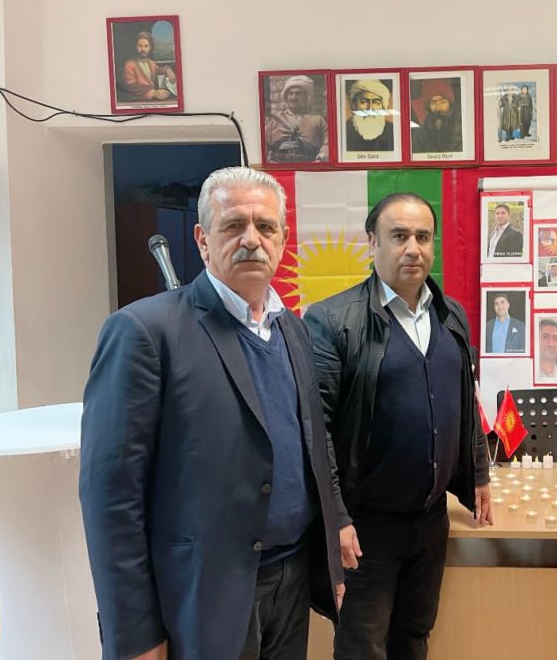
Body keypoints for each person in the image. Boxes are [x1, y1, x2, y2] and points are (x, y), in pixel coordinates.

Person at [79, 167, 345, 660]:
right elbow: (111, 499)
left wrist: (335, 531)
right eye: (233, 225)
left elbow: (312, 439)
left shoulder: (293, 330)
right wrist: (134, 634)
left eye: (265, 227)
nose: (251, 240)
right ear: (203, 240)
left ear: (283, 239)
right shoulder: (144, 332)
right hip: (205, 592)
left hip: (291, 580)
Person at [303, 193, 493, 660]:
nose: (413, 248)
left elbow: (465, 404)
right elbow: (315, 429)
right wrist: (336, 518)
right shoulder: (332, 321)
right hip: (365, 528)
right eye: (399, 236)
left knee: (414, 637)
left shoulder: (451, 316)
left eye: (423, 237)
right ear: (372, 243)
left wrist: (478, 472)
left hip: (430, 522)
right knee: (362, 648)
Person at [265, 75, 328, 163]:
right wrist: (271, 163)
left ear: (306, 97)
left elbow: (328, 145)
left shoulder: (318, 120)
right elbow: (263, 147)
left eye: (298, 94)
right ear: (286, 96)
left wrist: (319, 161)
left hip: (310, 167)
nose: (293, 97)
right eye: (290, 93)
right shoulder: (273, 121)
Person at [120, 30, 176, 102]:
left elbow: (159, 72)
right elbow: (131, 87)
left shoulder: (152, 63)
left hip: (154, 97)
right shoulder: (129, 64)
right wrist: (152, 93)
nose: (143, 49)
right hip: (137, 100)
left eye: (146, 46)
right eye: (140, 46)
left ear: (150, 48)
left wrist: (167, 69)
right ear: (135, 47)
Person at [411, 79, 463, 153]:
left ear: (450, 103)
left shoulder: (461, 124)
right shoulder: (424, 127)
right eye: (433, 103)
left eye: (443, 102)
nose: (438, 108)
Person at [346, 78, 395, 151]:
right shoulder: (345, 131)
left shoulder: (392, 130)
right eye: (364, 102)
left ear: (383, 107)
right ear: (353, 105)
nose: (370, 108)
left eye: (376, 103)